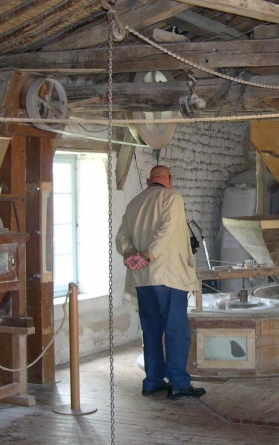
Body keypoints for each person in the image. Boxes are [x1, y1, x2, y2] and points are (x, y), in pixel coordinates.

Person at [116, 165, 206, 400]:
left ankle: (153, 381)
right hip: (168, 276)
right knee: (177, 331)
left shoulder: (134, 203)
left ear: (148, 181)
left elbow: (121, 236)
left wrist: (131, 254)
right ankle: (178, 383)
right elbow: (166, 231)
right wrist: (147, 255)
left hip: (142, 278)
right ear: (170, 180)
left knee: (152, 331)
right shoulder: (172, 198)